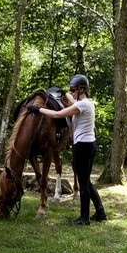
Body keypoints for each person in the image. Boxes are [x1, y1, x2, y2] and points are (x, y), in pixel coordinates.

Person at [27, 74, 107, 225]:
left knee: (83, 184)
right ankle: (101, 213)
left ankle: (84, 218)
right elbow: (72, 102)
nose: (71, 93)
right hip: (90, 144)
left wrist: (39, 109)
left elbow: (57, 114)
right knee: (87, 182)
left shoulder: (81, 106)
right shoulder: (88, 102)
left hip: (82, 147)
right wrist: (65, 95)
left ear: (81, 89)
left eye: (73, 90)